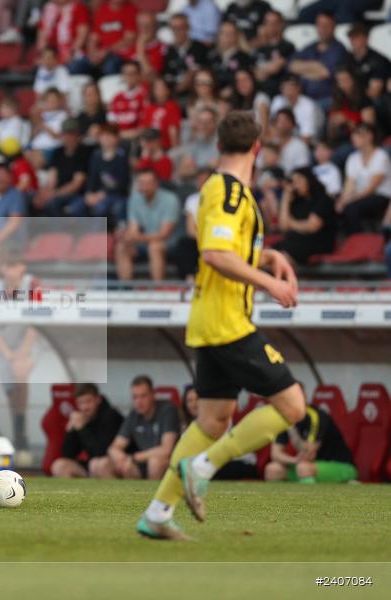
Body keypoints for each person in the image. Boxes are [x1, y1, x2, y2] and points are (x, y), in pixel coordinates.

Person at [137, 111, 306, 541]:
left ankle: (158, 512)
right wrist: (270, 282)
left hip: (211, 321)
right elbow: (215, 254)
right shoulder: (230, 192)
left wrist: (269, 257)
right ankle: (203, 467)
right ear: (257, 148)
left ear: (218, 146)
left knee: (213, 420)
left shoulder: (228, 191)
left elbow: (228, 251)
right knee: (292, 406)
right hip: (226, 324)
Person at [0, 252, 39, 450]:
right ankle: (17, 431)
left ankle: (21, 436)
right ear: (2, 268)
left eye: (15, 265)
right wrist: (7, 352)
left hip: (27, 342)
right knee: (10, 391)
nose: (11, 270)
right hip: (3, 346)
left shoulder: (32, 284)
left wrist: (23, 351)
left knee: (20, 377)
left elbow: (38, 320)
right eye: (8, 265)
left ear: (22, 267)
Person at [94, 375, 180, 481]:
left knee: (155, 462)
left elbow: (166, 449)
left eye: (143, 396)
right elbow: (114, 447)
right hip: (141, 463)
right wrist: (120, 457)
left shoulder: (168, 410)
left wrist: (134, 457)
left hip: (169, 463)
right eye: (135, 397)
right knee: (100, 464)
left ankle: (154, 497)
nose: (139, 401)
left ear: (153, 394)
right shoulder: (133, 415)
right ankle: (120, 496)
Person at [115, 169, 180, 281]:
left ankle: (157, 289)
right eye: (141, 183)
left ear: (156, 184)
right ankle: (125, 289)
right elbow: (133, 228)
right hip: (145, 240)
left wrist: (136, 236)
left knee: (154, 247)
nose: (143, 187)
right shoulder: (135, 199)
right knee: (122, 246)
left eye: (147, 183)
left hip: (170, 242)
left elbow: (164, 234)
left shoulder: (170, 199)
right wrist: (126, 236)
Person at [265, 406, 357, 484]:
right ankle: (281, 503)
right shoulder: (283, 418)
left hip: (342, 466)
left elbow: (308, 455)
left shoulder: (315, 415)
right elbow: (275, 455)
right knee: (272, 470)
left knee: (303, 467)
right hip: (306, 467)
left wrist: (292, 430)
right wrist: (294, 460)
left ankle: (309, 502)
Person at [50, 383, 124, 478]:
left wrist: (82, 429)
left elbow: (101, 452)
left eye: (88, 401)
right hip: (92, 465)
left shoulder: (111, 416)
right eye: (81, 403)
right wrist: (70, 431)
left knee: (98, 464)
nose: (85, 407)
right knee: (59, 465)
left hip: (114, 464)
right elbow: (68, 455)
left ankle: (113, 492)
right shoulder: (82, 418)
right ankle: (74, 493)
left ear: (98, 399)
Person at [273, 168, 338, 265]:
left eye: (299, 180)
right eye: (293, 181)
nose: (296, 184)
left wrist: (291, 223)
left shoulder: (323, 199)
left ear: (309, 180)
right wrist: (285, 198)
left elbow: (312, 226)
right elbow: (283, 226)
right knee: (272, 251)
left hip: (319, 241)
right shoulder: (297, 201)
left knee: (283, 254)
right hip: (297, 240)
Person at [337, 123, 391, 234]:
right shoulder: (353, 158)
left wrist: (348, 200)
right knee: (335, 204)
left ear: (369, 136)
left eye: (357, 135)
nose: (353, 138)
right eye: (353, 135)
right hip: (359, 195)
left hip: (380, 196)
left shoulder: (381, 156)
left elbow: (371, 188)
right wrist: (342, 200)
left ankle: (357, 239)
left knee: (352, 208)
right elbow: (349, 184)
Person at [288, 12, 349, 108]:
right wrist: (315, 65)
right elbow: (291, 65)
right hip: (303, 98)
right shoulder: (311, 47)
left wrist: (303, 71)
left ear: (334, 26)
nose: (323, 28)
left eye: (326, 25)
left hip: (326, 99)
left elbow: (325, 72)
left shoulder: (339, 49)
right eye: (320, 24)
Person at [34, 118, 92, 216]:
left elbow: (77, 184)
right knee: (35, 199)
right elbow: (52, 178)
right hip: (59, 192)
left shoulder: (85, 152)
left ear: (78, 135)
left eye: (72, 134)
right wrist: (44, 193)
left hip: (78, 194)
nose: (68, 137)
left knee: (53, 203)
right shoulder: (58, 152)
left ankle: (62, 230)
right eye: (66, 134)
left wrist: (54, 194)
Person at [252, 10, 295, 98]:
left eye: (274, 23)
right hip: (258, 93)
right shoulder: (259, 48)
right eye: (267, 23)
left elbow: (274, 68)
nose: (271, 26)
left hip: (279, 94)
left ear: (281, 25)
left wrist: (261, 70)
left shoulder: (287, 46)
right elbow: (252, 72)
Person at [162, 13, 207, 98]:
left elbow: (192, 75)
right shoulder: (168, 50)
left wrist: (173, 94)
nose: (177, 31)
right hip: (170, 95)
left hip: (192, 96)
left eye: (181, 27)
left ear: (188, 27)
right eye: (174, 28)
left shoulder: (199, 48)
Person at [269, 74, 322, 145]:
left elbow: (307, 138)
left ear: (299, 88)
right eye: (286, 87)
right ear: (281, 88)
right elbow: (271, 127)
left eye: (292, 87)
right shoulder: (278, 100)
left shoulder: (308, 105)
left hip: (307, 144)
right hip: (282, 141)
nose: (289, 91)